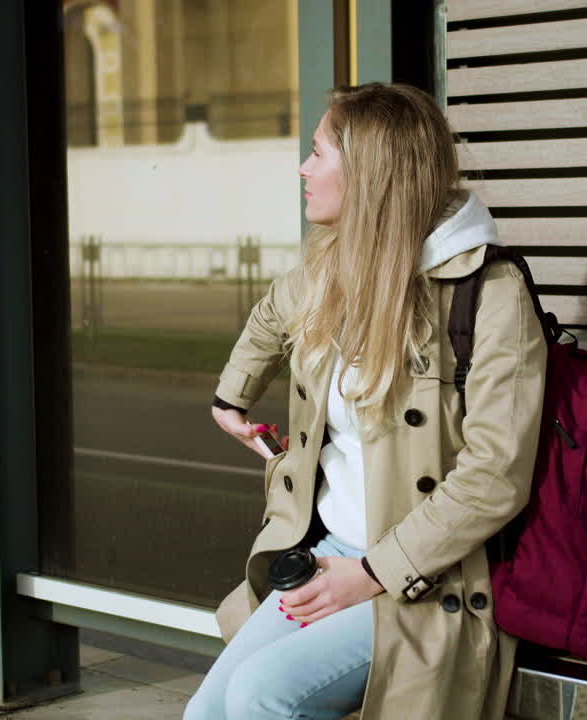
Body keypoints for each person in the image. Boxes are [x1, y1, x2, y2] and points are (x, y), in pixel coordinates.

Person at [185, 83, 547, 720]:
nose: (303, 167)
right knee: (208, 714)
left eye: (319, 153)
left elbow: (496, 476)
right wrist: (230, 397)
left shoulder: (489, 291)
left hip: (428, 577)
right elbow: (273, 313)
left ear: (369, 174)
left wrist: (374, 572)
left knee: (261, 697)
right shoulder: (341, 269)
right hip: (329, 556)